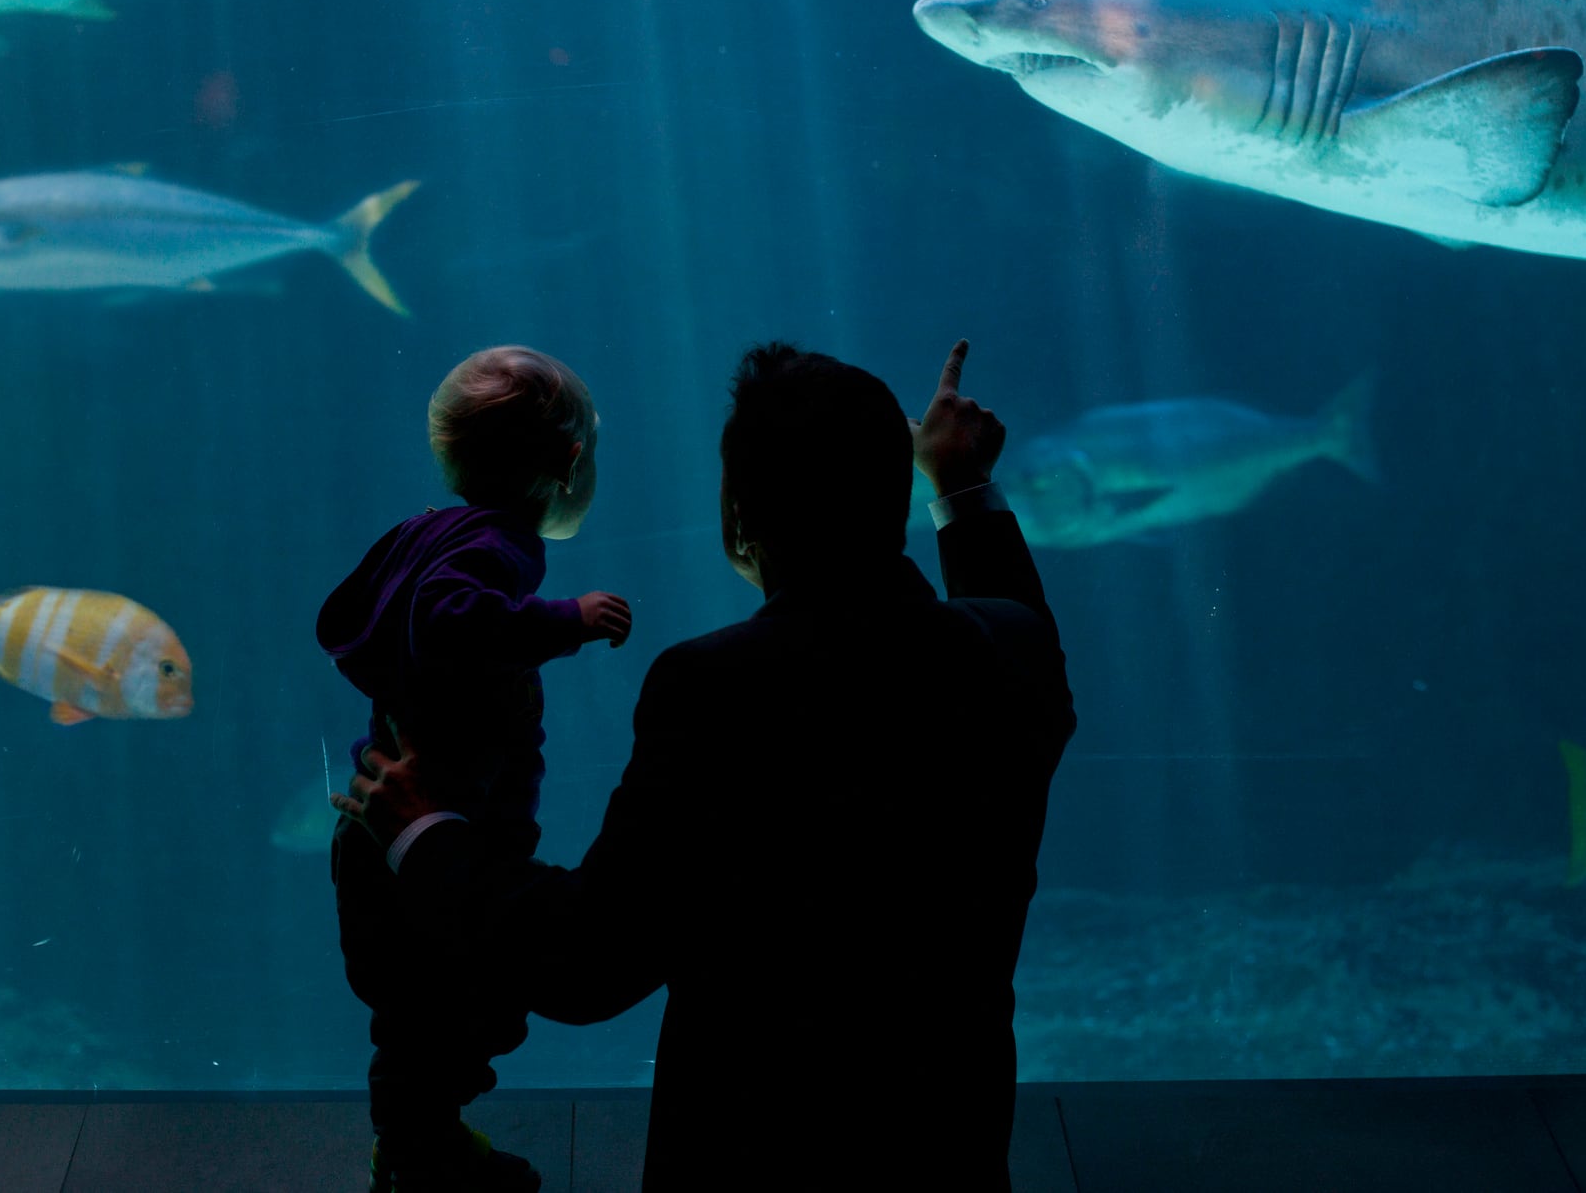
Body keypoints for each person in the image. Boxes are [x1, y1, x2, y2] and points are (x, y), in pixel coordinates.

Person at [337, 339, 1075, 1191]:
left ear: (735, 514)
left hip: (749, 1157)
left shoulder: (714, 686)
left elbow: (589, 962)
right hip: (945, 1149)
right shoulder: (1009, 660)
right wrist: (959, 481)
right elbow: (1018, 613)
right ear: (895, 492)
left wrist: (422, 831)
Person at [317, 345, 634, 1193]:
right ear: (570, 464)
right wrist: (564, 619)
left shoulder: (431, 532)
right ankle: (419, 1156)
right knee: (454, 1013)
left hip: (384, 828)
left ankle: (421, 1141)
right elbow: (450, 619)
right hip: (439, 838)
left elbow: (362, 616)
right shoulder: (498, 548)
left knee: (421, 1018)